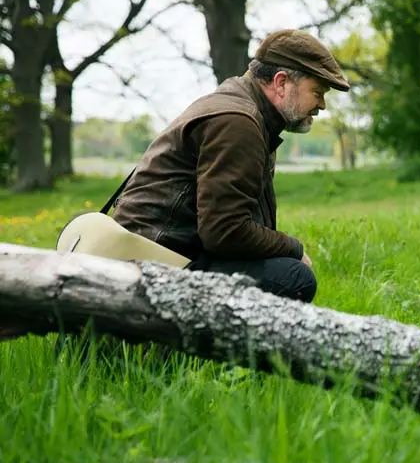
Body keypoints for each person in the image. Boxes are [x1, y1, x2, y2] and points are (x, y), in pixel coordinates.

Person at [109, 29, 351, 303]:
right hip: (154, 264)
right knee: (292, 277)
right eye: (317, 92)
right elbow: (224, 232)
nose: (321, 105)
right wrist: (293, 248)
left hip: (153, 255)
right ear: (281, 82)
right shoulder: (238, 122)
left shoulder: (237, 107)